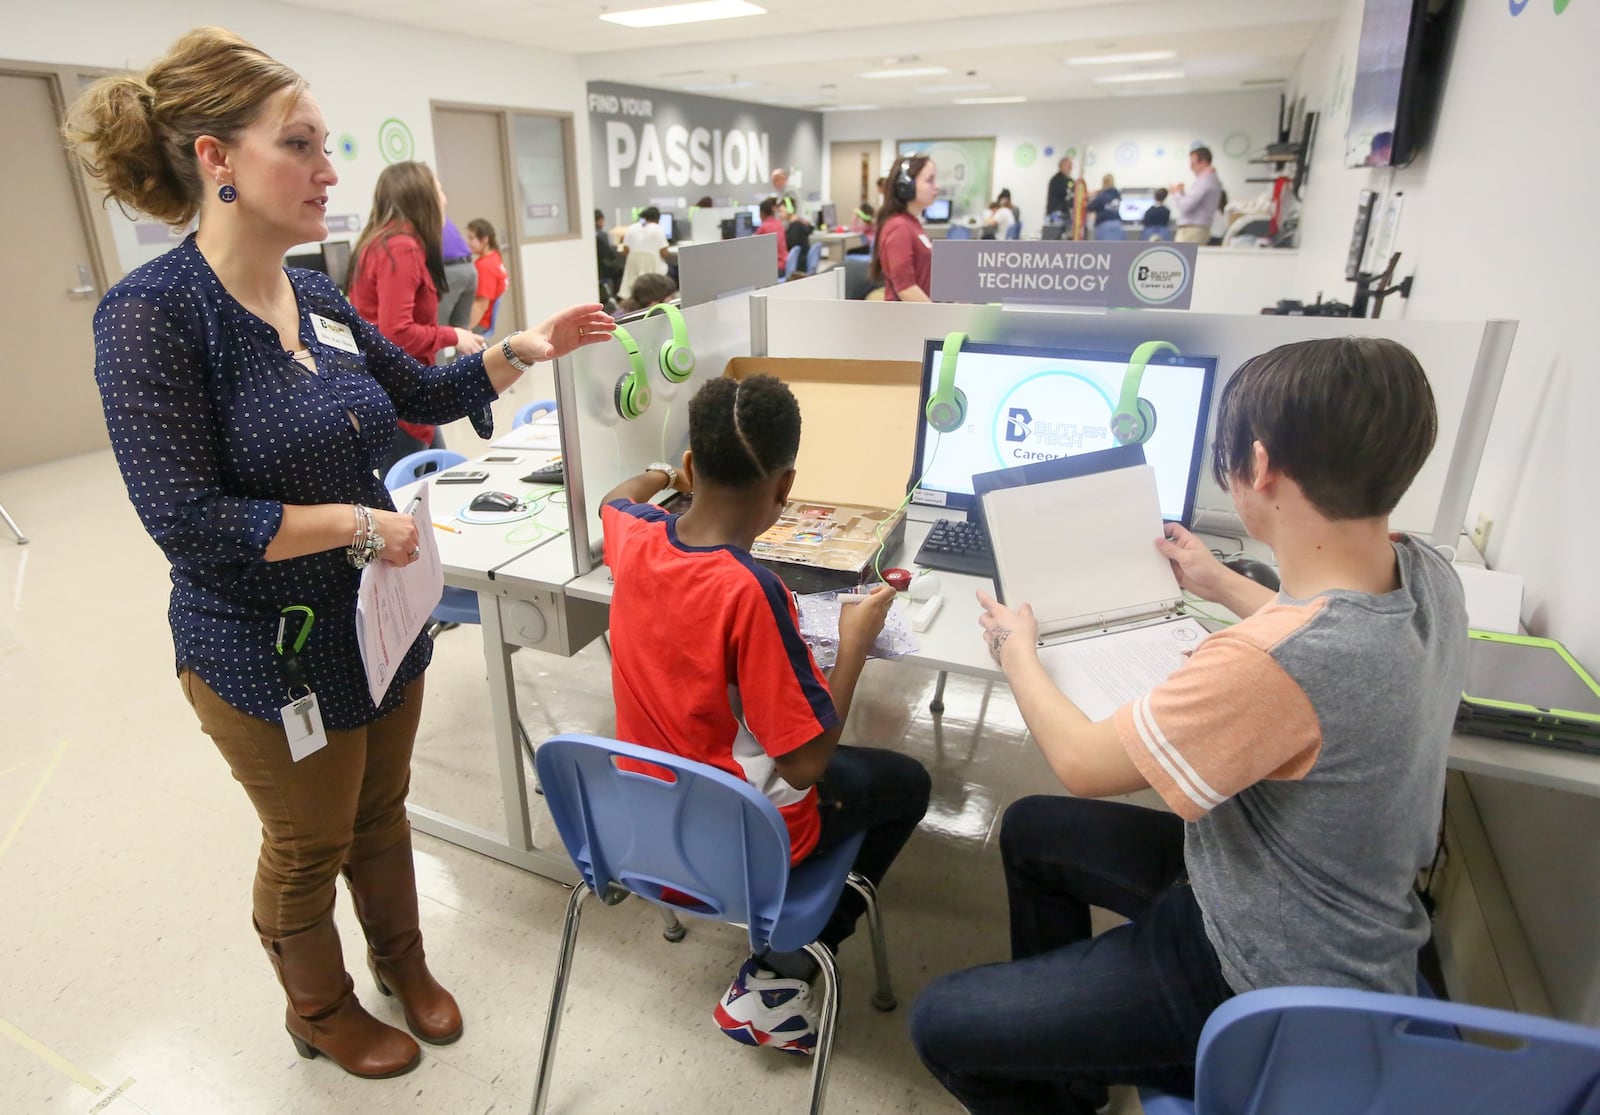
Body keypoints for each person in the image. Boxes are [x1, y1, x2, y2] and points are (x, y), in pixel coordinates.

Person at [65, 26, 616, 1082]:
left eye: (327, 145)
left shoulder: (314, 296)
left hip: (375, 625)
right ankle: (317, 1005)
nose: (330, 172)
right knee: (309, 838)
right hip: (266, 652)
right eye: (302, 144)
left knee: (380, 806)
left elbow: (415, 397)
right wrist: (354, 524)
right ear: (216, 159)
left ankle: (403, 961)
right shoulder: (153, 317)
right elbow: (184, 517)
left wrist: (518, 348)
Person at [909, 337, 1467, 1113]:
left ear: (1261, 466)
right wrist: (1219, 579)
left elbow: (1081, 759)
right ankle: (1071, 1076)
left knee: (939, 1022)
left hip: (1257, 973)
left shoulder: (1268, 663)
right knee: (1034, 831)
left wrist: (1018, 651)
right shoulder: (1427, 573)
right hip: (1301, 903)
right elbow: (1326, 637)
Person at [598, 375, 931, 1055]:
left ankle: (783, 963)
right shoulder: (752, 592)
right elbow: (806, 765)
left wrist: (660, 473)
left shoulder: (632, 536)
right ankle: (781, 976)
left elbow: (614, 498)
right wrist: (855, 648)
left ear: (692, 467)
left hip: (645, 819)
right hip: (741, 837)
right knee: (907, 785)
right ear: (785, 489)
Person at [345, 161, 484, 475]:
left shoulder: (378, 243)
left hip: (399, 391)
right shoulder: (401, 249)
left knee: (439, 478)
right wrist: (453, 335)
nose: (444, 199)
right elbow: (397, 333)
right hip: (400, 395)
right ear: (421, 197)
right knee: (412, 492)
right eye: (439, 190)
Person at [870, 155, 938, 302]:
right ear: (906, 186)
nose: (936, 186)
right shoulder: (899, 227)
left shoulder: (912, 223)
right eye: (929, 180)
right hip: (907, 319)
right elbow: (906, 289)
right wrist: (939, 317)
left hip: (919, 315)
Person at [1170, 145, 1223, 244]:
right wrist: (1182, 194)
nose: (1190, 167)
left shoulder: (1205, 181)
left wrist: (1176, 193)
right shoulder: (1210, 180)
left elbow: (1185, 207)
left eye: (1193, 163)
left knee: (1183, 259)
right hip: (1196, 230)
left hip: (1193, 231)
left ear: (1203, 162)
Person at [436, 207, 477, 332]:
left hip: (450, 271)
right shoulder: (440, 216)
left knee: (436, 329)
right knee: (462, 329)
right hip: (469, 268)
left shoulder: (421, 217)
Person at [464, 218, 507, 336]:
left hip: (478, 323)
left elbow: (481, 305)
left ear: (484, 240)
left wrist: (465, 331)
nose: (468, 242)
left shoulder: (485, 266)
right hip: (482, 321)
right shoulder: (495, 257)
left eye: (471, 238)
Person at [619, 205, 669, 302]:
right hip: (654, 274)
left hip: (634, 273)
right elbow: (664, 253)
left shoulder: (631, 228)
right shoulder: (658, 229)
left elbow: (625, 252)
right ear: (658, 219)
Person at [594, 208, 624, 303]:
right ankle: (618, 297)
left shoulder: (590, 234)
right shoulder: (601, 235)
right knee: (621, 269)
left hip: (597, 269)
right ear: (600, 220)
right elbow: (610, 253)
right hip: (605, 268)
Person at [755, 196, 788, 274]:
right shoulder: (779, 223)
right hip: (785, 264)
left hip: (776, 268)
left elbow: (753, 249)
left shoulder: (763, 227)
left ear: (762, 213)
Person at [1087, 174, 1124, 241]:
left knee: (1104, 249)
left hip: (1104, 225)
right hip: (1118, 224)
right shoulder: (1117, 195)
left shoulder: (1102, 195)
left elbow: (1090, 207)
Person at [1045, 156, 1076, 225]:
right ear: (1061, 166)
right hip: (1055, 214)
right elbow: (1065, 191)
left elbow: (1073, 189)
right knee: (1054, 234)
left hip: (1066, 214)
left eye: (1071, 166)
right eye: (1068, 165)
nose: (1070, 168)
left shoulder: (1070, 181)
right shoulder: (1056, 180)